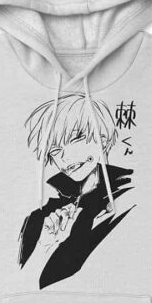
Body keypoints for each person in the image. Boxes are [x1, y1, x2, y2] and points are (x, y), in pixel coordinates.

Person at [18, 92, 135, 288]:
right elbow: (23, 286)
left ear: (102, 139)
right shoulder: (41, 218)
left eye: (75, 139)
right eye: (55, 150)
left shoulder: (128, 200)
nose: (65, 157)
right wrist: (45, 247)